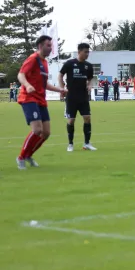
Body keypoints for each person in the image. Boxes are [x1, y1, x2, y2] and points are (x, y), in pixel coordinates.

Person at [16, 35, 66, 170]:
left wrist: (60, 90)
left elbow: (45, 85)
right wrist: (27, 85)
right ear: (40, 46)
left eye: (51, 45)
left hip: (40, 100)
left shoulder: (44, 63)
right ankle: (21, 157)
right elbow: (21, 75)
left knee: (46, 133)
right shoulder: (33, 59)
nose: (50, 48)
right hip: (28, 98)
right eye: (48, 45)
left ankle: (28, 155)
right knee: (37, 130)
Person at [59, 42, 97, 152]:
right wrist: (62, 88)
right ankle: (70, 144)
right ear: (79, 52)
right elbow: (60, 75)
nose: (87, 54)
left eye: (88, 52)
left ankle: (87, 143)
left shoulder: (88, 66)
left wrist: (89, 85)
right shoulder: (69, 63)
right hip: (71, 97)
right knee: (71, 120)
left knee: (87, 118)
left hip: (83, 97)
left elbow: (90, 78)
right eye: (85, 52)